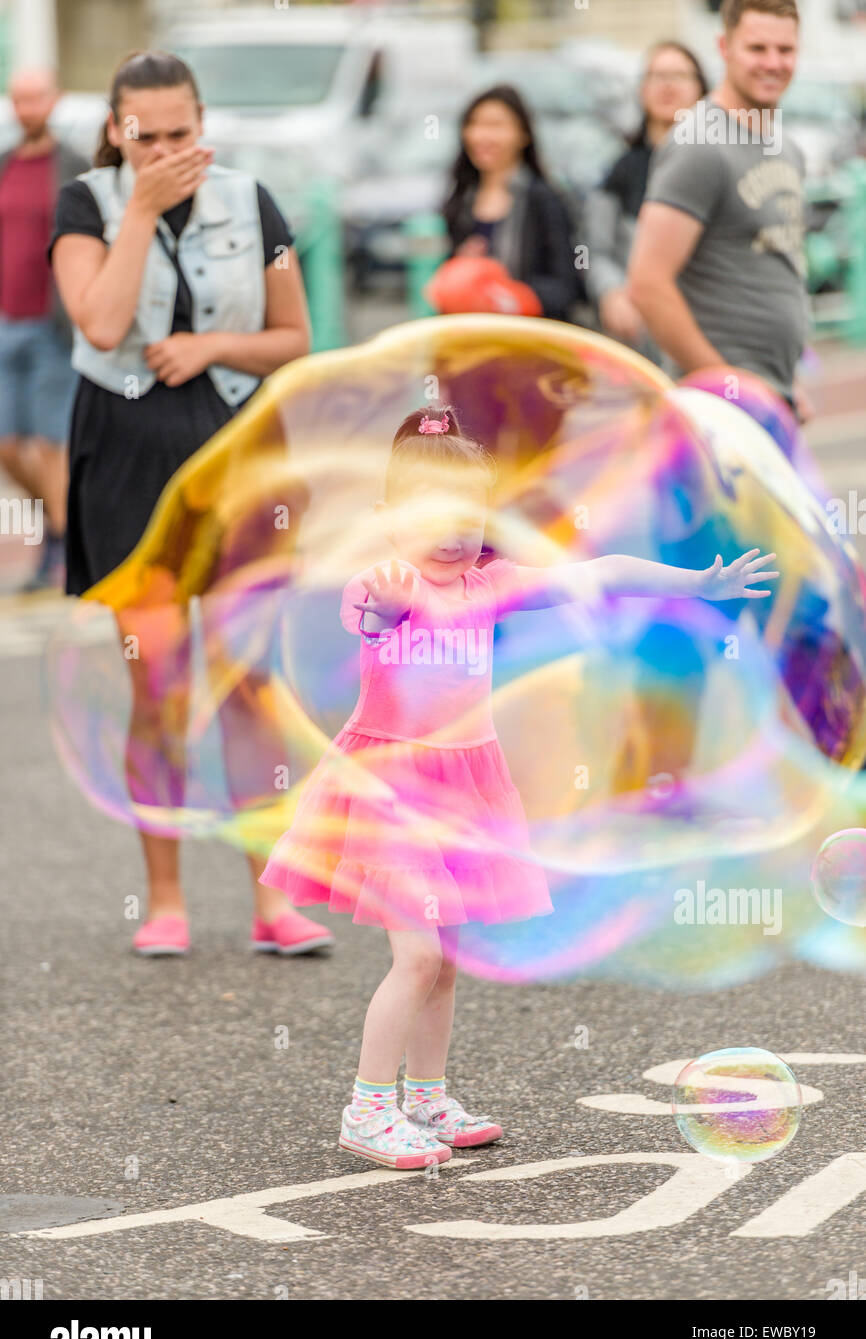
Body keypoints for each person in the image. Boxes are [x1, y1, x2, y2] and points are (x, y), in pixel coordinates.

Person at [258, 405, 779, 1169]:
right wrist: (385, 607)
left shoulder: (489, 584)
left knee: (449, 956)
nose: (453, 531)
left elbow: (599, 574)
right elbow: (376, 612)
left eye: (470, 513)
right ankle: (368, 1108)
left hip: (465, 787)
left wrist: (699, 582)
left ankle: (427, 1095)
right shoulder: (390, 582)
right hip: (390, 789)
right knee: (418, 956)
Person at [49, 51, 329, 959]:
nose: (167, 149)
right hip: (128, 452)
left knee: (251, 684)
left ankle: (271, 901)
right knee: (160, 684)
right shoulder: (86, 204)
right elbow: (98, 321)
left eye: (181, 132)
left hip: (239, 446)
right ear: (117, 130)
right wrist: (138, 208)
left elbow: (295, 339)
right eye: (146, 135)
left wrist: (212, 345)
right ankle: (164, 901)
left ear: (201, 122)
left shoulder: (253, 203)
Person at [628, 0, 812, 422]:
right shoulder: (699, 144)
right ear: (724, 46)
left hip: (774, 397)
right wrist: (731, 388)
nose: (773, 63)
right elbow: (648, 284)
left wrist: (789, 382)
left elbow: (773, 267)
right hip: (720, 413)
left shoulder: (787, 149)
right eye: (757, 48)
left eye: (785, 50)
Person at [0, 68, 87, 591]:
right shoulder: (6, 164)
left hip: (53, 323)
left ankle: (63, 550)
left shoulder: (72, 165)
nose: (28, 107)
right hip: (6, 322)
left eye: (36, 98)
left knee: (53, 446)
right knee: (8, 445)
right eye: (20, 99)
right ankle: (61, 531)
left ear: (53, 100)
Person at [584, 42, 708, 361]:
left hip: (710, 336)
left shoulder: (719, 168)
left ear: (701, 89)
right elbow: (592, 251)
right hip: (642, 346)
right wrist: (610, 293)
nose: (667, 85)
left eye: (679, 76)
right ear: (641, 89)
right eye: (657, 76)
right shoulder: (618, 173)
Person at [441, 85, 579, 322]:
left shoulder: (545, 200)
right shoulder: (459, 201)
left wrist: (500, 292)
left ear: (523, 134)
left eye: (496, 125)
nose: (483, 136)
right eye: (474, 124)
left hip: (530, 341)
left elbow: (567, 288)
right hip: (470, 341)